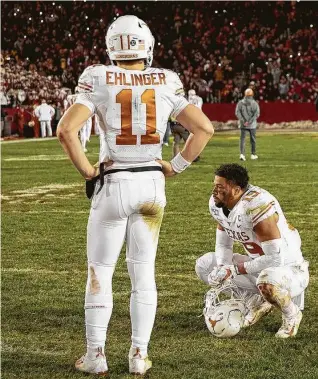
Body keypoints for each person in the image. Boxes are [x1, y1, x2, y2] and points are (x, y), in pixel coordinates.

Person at [57, 15, 214, 376]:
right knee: (143, 273)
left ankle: (96, 355)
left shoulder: (97, 76)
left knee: (100, 272)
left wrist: (87, 171)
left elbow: (67, 130)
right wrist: (175, 166)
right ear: (148, 45)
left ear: (113, 46)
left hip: (113, 183)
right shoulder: (166, 79)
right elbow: (204, 128)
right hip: (150, 186)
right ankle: (139, 355)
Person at [195, 164, 309, 338]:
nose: (214, 191)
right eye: (214, 185)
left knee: (267, 280)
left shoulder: (257, 206)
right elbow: (224, 245)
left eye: (220, 187)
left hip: (288, 269)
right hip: (257, 265)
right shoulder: (218, 204)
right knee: (205, 265)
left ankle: (292, 315)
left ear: (236, 189)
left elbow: (275, 259)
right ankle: (255, 302)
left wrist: (234, 270)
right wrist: (223, 267)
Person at [235, 88, 260, 161]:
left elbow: (237, 113)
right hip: (252, 125)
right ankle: (253, 154)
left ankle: (242, 155)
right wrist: (249, 121)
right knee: (253, 140)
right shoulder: (254, 103)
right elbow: (256, 114)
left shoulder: (240, 103)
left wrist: (244, 121)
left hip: (243, 124)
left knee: (242, 139)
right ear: (252, 94)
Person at [188, 89, 203, 162]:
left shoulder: (188, 99)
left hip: (192, 119)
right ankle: (197, 155)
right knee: (198, 138)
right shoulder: (199, 99)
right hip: (199, 118)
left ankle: (194, 156)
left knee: (191, 138)